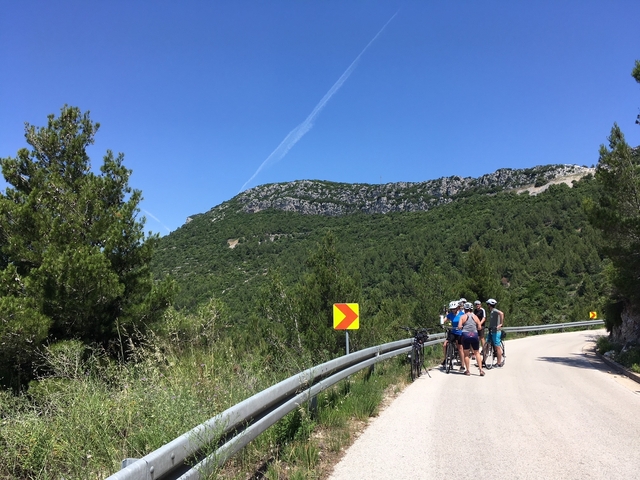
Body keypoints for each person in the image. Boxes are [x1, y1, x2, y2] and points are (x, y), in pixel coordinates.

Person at [458, 302, 485, 376]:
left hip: (465, 335)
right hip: (474, 335)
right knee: (477, 352)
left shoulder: (463, 317)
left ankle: (468, 371)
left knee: (466, 354)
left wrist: (462, 326)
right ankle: (481, 370)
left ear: (465, 309)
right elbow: (479, 327)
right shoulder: (475, 316)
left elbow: (459, 326)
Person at [441, 300, 465, 369]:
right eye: (452, 309)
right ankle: (445, 359)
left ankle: (462, 365)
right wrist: (442, 323)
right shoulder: (450, 315)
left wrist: (463, 326)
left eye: (454, 309)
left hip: (460, 332)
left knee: (460, 348)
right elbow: (445, 319)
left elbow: (465, 321)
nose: (453, 310)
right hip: (453, 332)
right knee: (445, 344)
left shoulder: (462, 314)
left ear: (457, 308)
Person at [485, 298, 505, 366]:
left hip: (496, 331)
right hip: (491, 330)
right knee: (487, 344)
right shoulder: (492, 311)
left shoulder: (495, 310)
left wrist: (501, 324)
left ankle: (499, 362)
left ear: (489, 305)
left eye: (488, 304)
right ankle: (483, 361)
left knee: (497, 346)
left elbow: (502, 313)